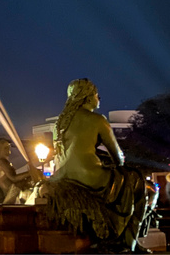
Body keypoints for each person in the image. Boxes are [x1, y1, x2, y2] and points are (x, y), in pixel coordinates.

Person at [45, 79, 157, 252]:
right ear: (87, 98)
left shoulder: (60, 123)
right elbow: (118, 158)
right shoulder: (98, 119)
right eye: (97, 94)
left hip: (62, 176)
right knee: (136, 182)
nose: (99, 98)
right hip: (90, 177)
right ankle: (129, 243)